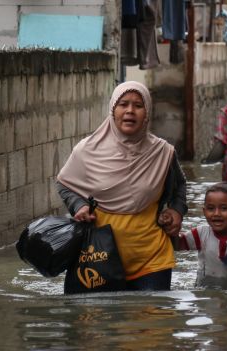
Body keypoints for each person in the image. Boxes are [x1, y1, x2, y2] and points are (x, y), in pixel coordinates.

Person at [56, 81, 187, 292]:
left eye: (138, 105)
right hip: (99, 258)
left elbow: (180, 186)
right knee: (101, 323)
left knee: (154, 323)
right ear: (112, 110)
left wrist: (177, 211)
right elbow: (65, 184)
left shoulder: (163, 153)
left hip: (151, 259)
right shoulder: (87, 151)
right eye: (123, 104)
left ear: (147, 112)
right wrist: (78, 205)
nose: (130, 111)